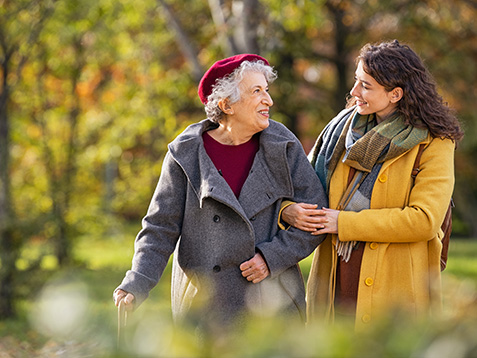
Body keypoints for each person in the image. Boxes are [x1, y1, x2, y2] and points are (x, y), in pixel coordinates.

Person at [113, 54, 327, 336]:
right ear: (226, 105)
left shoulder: (283, 145)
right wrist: (137, 281)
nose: (268, 100)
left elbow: (316, 216)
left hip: (273, 302)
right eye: (256, 91)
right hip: (206, 305)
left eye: (266, 90)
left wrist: (271, 257)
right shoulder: (186, 154)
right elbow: (160, 227)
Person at [281, 40, 463, 329]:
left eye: (365, 85)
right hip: (334, 281)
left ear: (395, 94)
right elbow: (298, 188)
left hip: (396, 291)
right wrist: (288, 210)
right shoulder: (339, 133)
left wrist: (344, 223)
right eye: (356, 81)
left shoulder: (435, 143)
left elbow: (424, 220)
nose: (354, 92)